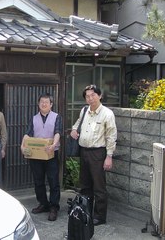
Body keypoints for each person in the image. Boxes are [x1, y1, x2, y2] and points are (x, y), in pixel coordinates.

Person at [70, 84, 117, 226]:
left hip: (98, 153)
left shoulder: (107, 114)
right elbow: (78, 124)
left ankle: (100, 216)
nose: (90, 98)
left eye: (93, 95)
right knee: (85, 185)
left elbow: (111, 136)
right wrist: (73, 130)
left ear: (100, 96)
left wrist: (109, 156)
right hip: (83, 151)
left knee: (99, 187)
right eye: (87, 96)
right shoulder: (84, 110)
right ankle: (87, 211)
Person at [21, 93, 62, 221]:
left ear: (51, 104)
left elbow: (58, 132)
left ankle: (54, 207)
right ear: (38, 104)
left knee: (53, 181)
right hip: (36, 154)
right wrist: (22, 145)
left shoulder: (56, 117)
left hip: (51, 154)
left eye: (46, 102)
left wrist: (54, 144)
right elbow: (28, 133)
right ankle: (43, 204)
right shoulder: (34, 118)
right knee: (38, 181)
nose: (44, 104)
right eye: (41, 102)